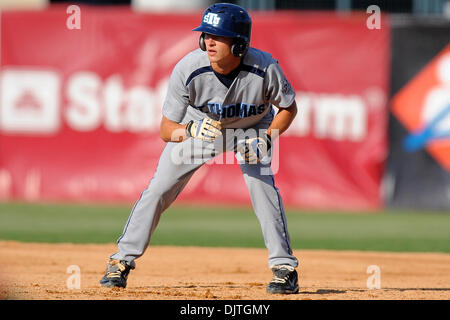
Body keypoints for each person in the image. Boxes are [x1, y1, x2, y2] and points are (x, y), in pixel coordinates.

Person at [100, 2, 299, 294]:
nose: (209, 40)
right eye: (206, 34)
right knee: (159, 188)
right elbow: (165, 129)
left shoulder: (264, 67)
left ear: (240, 44)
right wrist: (189, 130)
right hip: (202, 127)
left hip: (252, 129)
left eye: (218, 36)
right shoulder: (189, 68)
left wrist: (268, 137)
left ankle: (285, 269)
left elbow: (288, 108)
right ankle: (121, 261)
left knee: (262, 188)